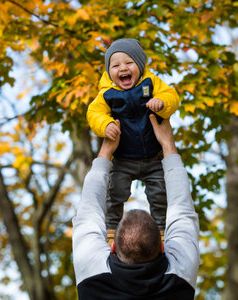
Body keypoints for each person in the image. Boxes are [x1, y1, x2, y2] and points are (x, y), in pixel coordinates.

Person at [72, 115, 200, 299]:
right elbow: (182, 212)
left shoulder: (182, 270)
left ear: (113, 246)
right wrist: (167, 145)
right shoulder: (179, 274)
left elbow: (182, 211)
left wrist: (106, 151)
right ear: (162, 247)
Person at [86, 38, 180, 239]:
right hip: (124, 158)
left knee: (159, 195)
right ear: (108, 70)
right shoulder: (107, 93)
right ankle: (111, 228)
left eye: (128, 63)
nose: (122, 68)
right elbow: (94, 114)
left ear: (139, 64)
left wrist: (161, 102)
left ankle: (162, 229)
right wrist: (106, 125)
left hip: (153, 157)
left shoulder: (151, 82)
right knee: (115, 193)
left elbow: (171, 95)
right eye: (115, 65)